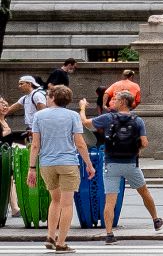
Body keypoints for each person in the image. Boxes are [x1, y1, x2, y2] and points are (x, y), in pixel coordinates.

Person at [93, 89, 163, 243]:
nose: (113, 101)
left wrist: (82, 108)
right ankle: (156, 220)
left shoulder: (108, 118)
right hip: (131, 163)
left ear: (123, 102)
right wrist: (136, 150)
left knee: (110, 200)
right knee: (144, 192)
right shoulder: (137, 120)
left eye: (116, 99)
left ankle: (109, 234)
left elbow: (85, 123)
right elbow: (144, 142)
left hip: (111, 164)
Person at [28, 83, 91, 252]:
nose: (46, 99)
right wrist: (89, 164)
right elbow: (80, 143)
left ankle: (50, 236)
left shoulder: (39, 116)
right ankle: (61, 243)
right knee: (67, 204)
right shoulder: (73, 116)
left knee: (55, 200)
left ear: (53, 97)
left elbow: (35, 145)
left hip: (47, 164)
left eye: (48, 96)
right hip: (68, 163)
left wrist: (31, 168)